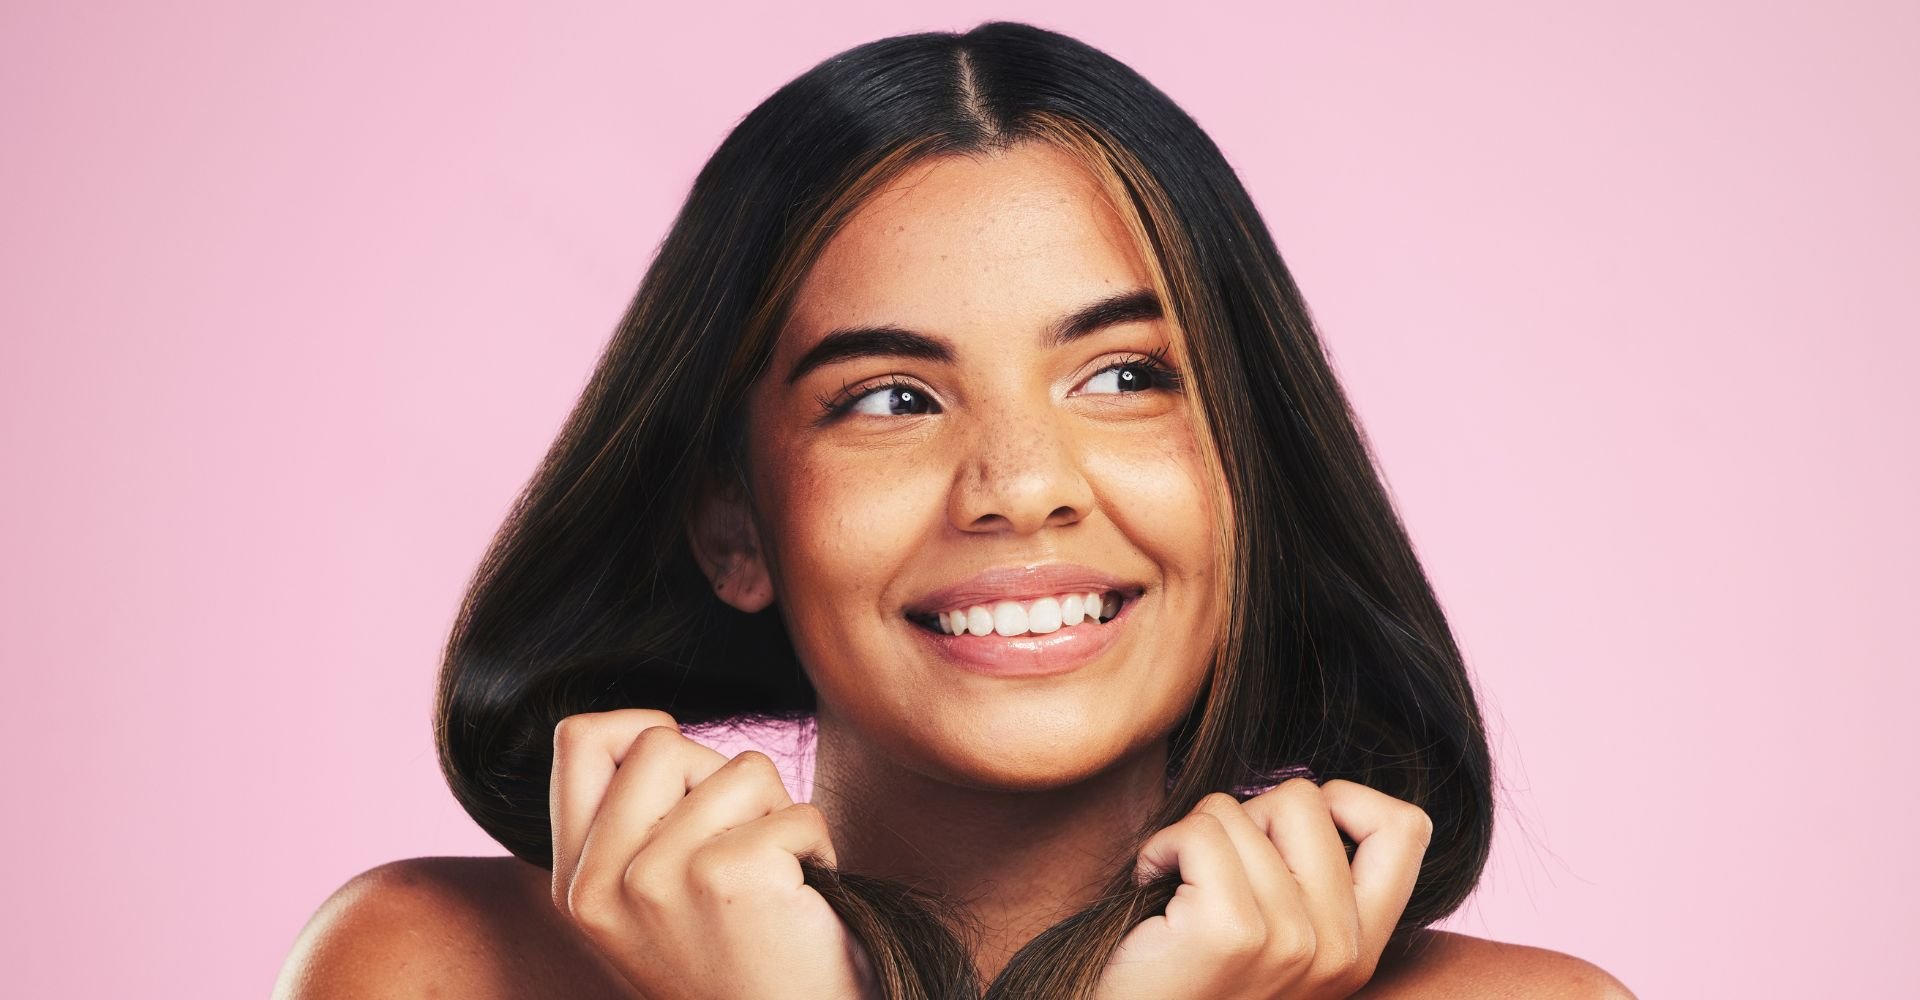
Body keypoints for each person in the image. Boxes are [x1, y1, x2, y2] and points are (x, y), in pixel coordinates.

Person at [273, 20, 1634, 999]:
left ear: (1250, 475)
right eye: (889, 398)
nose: (1021, 486)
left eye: (1125, 376)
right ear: (731, 527)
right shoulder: (436, 968)